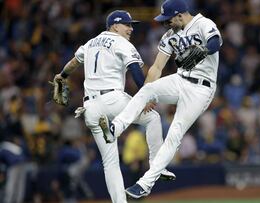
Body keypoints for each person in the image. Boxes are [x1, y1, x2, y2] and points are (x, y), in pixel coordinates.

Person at [99, 0, 222, 198]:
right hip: (180, 79)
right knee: (147, 91)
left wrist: (204, 50)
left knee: (175, 131)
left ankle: (145, 184)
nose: (166, 24)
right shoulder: (170, 35)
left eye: (168, 19)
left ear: (180, 15)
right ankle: (115, 128)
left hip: (201, 88)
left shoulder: (203, 24)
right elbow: (157, 68)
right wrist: (146, 95)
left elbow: (215, 42)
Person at [52, 10, 175, 203]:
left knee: (110, 162)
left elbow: (74, 62)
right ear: (115, 26)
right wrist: (145, 96)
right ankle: (156, 165)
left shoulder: (91, 43)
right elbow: (135, 70)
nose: (130, 28)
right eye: (127, 24)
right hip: (113, 99)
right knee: (153, 118)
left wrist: (62, 76)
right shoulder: (122, 43)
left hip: (90, 108)